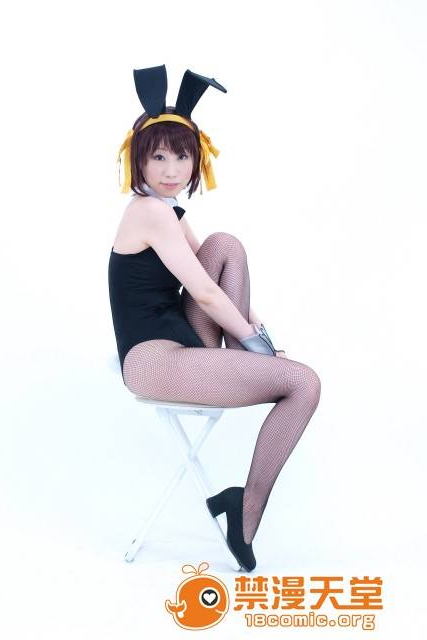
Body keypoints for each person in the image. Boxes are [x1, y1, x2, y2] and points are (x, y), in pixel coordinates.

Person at [108, 65, 321, 572]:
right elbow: (204, 293)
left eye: (182, 156)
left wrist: (263, 337)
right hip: (153, 361)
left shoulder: (170, 212)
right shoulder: (147, 211)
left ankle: (252, 366)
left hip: (184, 343)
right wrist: (257, 348)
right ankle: (244, 510)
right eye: (158, 156)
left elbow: (216, 271)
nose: (171, 169)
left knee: (226, 245)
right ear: (138, 159)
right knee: (304, 384)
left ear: (196, 159)